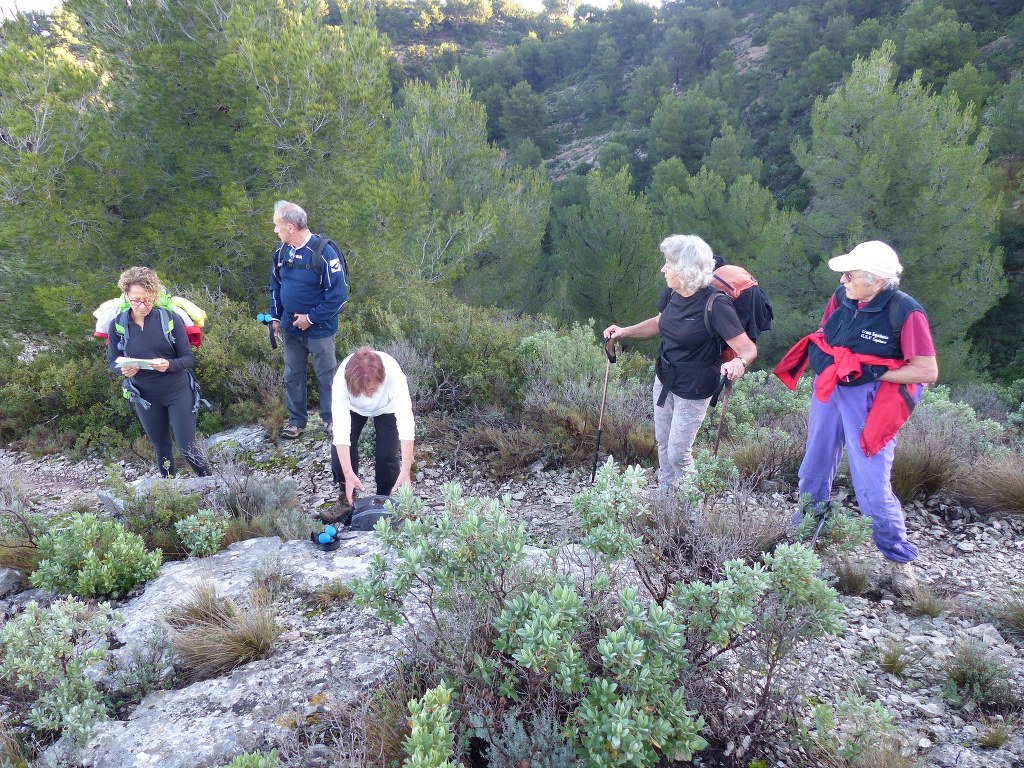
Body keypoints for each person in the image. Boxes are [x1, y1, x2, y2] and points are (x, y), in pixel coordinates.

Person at [774, 240, 938, 596]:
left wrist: (872, 373)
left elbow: (926, 370)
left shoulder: (905, 311)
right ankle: (804, 541)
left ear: (877, 281)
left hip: (872, 402)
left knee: (871, 487)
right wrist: (825, 361)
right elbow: (827, 334)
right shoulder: (842, 297)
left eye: (852, 273)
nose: (844, 278)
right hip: (832, 390)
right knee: (813, 467)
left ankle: (899, 563)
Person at [604, 235, 757, 493]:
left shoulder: (715, 305)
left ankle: (691, 507)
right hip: (665, 377)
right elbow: (659, 323)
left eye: (668, 264)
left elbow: (748, 349)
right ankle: (667, 498)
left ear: (685, 270)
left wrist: (739, 362)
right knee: (662, 443)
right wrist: (624, 331)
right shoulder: (674, 292)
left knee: (678, 452)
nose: (663, 269)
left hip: (695, 388)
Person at [107, 267, 211, 478]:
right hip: (144, 396)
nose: (143, 305)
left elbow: (188, 358)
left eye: (147, 299)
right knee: (161, 448)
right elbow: (112, 361)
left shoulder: (170, 319)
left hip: (178, 391)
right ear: (126, 295)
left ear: (154, 295)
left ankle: (213, 484)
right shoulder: (117, 325)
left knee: (187, 448)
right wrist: (124, 370)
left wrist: (169, 365)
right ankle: (169, 492)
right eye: (136, 300)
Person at [268, 200, 348, 439]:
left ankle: (332, 419)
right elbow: (275, 285)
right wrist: (274, 316)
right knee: (292, 374)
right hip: (291, 328)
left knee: (326, 375)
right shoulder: (281, 252)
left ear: (291, 227)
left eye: (277, 226)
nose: (275, 230)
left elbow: (339, 297)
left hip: (320, 329)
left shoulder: (324, 253)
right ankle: (296, 421)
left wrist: (310, 319)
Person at [325, 346, 415, 521]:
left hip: (387, 408)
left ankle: (383, 499)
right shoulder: (340, 381)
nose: (368, 395)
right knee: (340, 449)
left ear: (382, 379)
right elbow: (341, 432)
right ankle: (346, 499)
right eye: (362, 392)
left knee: (387, 454)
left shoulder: (395, 375)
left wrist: (406, 470)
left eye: (372, 390)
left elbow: (406, 424)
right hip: (354, 408)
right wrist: (349, 473)